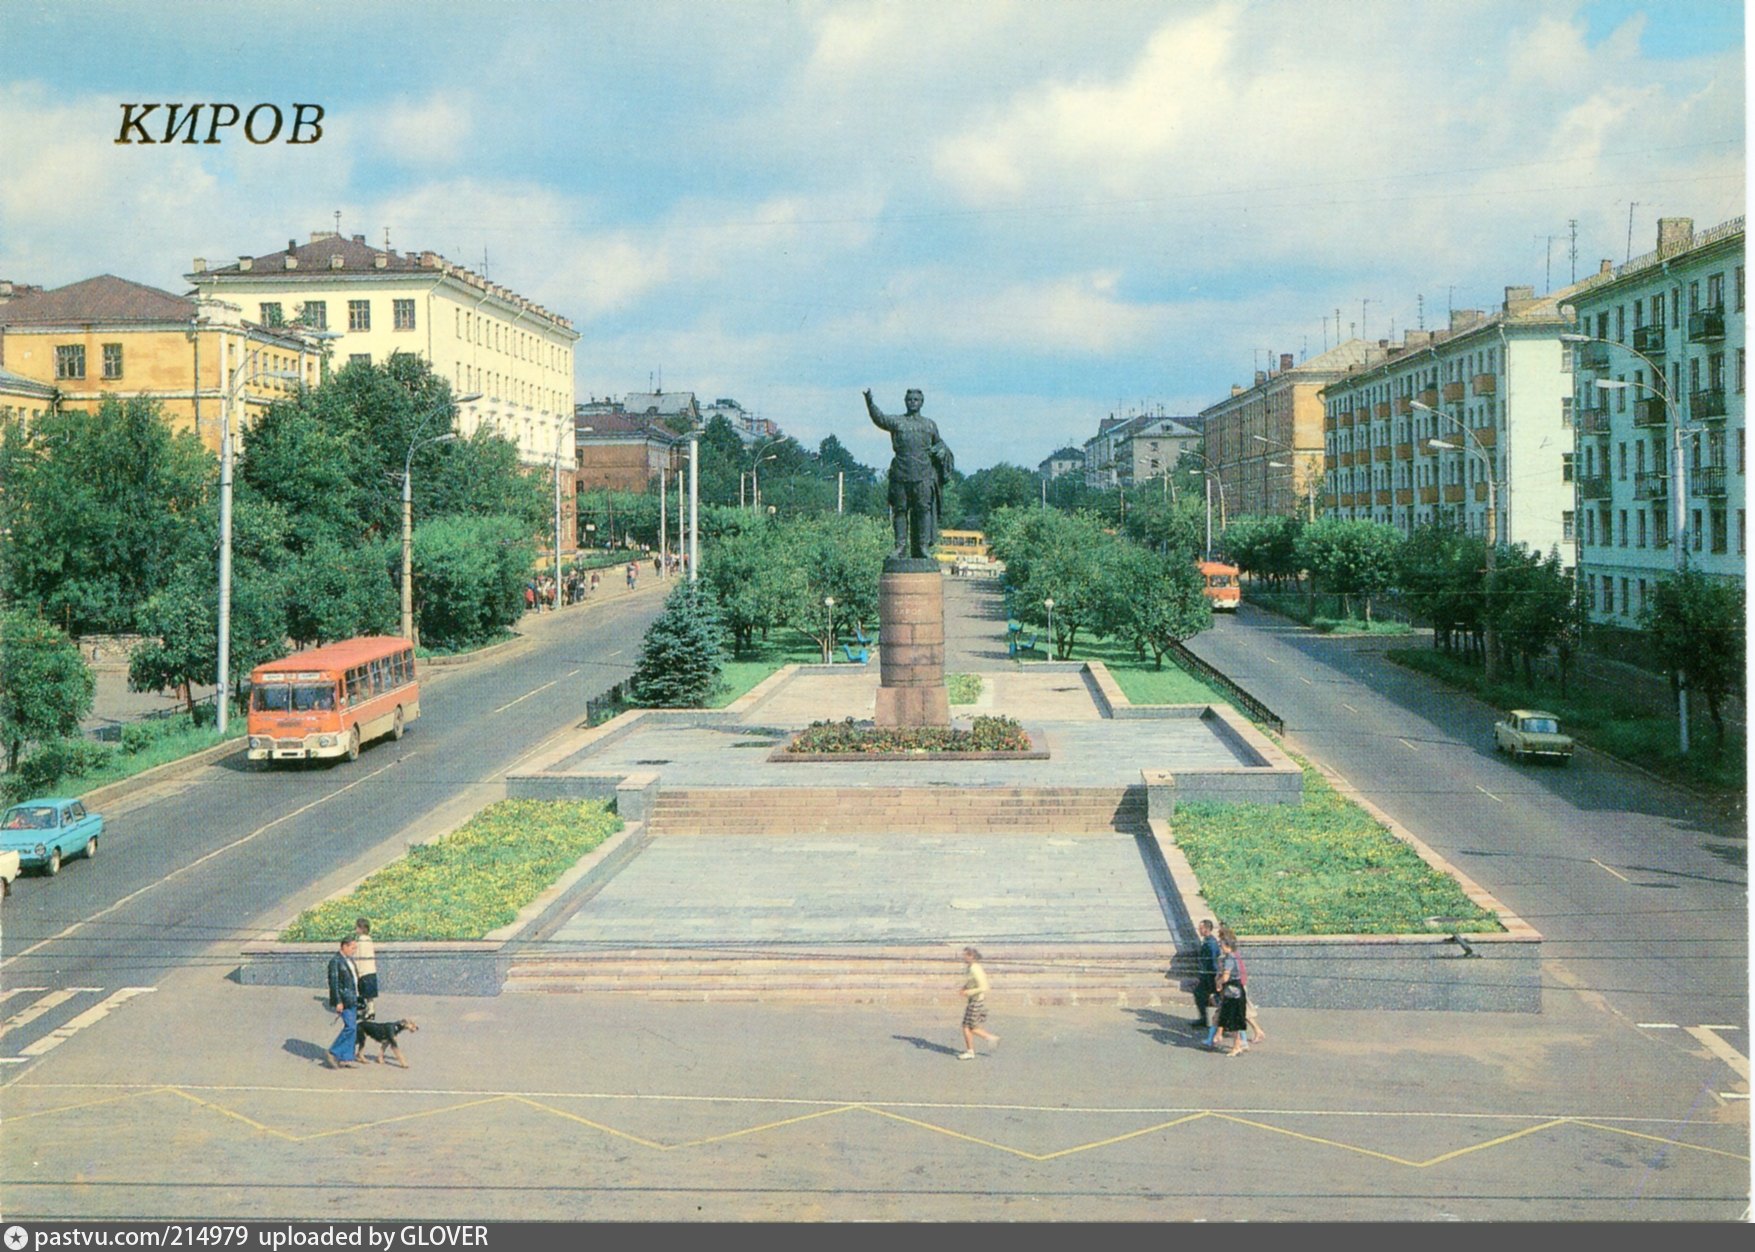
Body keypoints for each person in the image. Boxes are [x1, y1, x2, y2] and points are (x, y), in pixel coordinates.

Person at [863, 388, 955, 560]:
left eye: (916, 399)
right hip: (901, 473)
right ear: (905, 401)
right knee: (900, 510)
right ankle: (899, 547)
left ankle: (922, 547)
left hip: (923, 475)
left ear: (922, 402)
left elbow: (940, 444)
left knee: (923, 510)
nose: (913, 402)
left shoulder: (929, 425)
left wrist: (941, 450)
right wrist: (869, 402)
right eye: (910, 399)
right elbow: (879, 418)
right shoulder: (898, 422)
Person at [1218, 923, 1265, 1046]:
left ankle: (1254, 1033)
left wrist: (1220, 981)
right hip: (1239, 984)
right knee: (1243, 1012)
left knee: (1243, 1012)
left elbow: (1230, 973)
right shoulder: (1234, 954)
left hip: (1237, 986)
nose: (1220, 945)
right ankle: (1250, 1034)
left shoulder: (1231, 957)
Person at [324, 936, 363, 1069]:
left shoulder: (349, 960)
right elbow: (333, 984)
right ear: (344, 946)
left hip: (352, 998)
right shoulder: (335, 961)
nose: (354, 950)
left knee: (353, 1028)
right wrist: (338, 1002)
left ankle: (346, 1058)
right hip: (344, 1000)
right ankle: (333, 1051)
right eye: (353, 947)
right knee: (350, 1027)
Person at [957, 947, 1000, 1060]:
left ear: (971, 956)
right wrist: (964, 987)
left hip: (976, 1000)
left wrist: (968, 992)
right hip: (973, 999)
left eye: (965, 955)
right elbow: (971, 982)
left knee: (969, 1027)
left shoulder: (976, 969)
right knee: (968, 1026)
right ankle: (971, 1050)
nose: (963, 957)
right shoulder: (970, 968)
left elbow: (984, 987)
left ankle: (990, 1038)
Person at [1213, 936, 1249, 1056]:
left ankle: (1237, 1045)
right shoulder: (1234, 957)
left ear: (1227, 946)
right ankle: (1234, 1043)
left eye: (1222, 946)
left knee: (1233, 1020)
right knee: (1228, 1017)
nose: (1221, 948)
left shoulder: (1229, 959)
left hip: (1233, 992)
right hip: (1234, 991)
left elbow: (1226, 977)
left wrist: (1219, 982)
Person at [1190, 918, 1221, 1034]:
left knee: (1217, 999)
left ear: (1207, 929)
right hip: (1206, 975)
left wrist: (1214, 979)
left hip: (1210, 976)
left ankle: (1220, 1023)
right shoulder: (1208, 941)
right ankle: (1204, 1019)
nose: (1199, 930)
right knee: (1199, 994)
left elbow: (1213, 962)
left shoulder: (1211, 944)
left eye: (1201, 928)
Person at [353, 917, 378, 1021]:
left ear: (361, 929)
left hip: (363, 971)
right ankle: (371, 1011)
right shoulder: (369, 940)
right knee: (370, 995)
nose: (355, 929)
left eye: (356, 927)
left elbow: (359, 958)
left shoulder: (360, 942)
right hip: (371, 970)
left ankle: (362, 1011)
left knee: (362, 992)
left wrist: (357, 971)